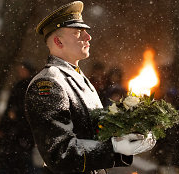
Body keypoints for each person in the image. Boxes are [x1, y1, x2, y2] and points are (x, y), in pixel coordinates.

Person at [25, 1, 156, 174]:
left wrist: (129, 135)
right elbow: (61, 153)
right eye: (79, 32)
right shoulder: (49, 84)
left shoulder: (77, 78)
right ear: (58, 41)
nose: (88, 37)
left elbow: (92, 134)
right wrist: (116, 147)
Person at [0, 62, 36, 174]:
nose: (20, 72)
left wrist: (17, 113)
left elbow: (30, 108)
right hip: (13, 130)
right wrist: (2, 126)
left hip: (24, 130)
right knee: (10, 158)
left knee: (24, 160)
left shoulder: (32, 85)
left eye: (23, 69)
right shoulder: (17, 85)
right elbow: (9, 107)